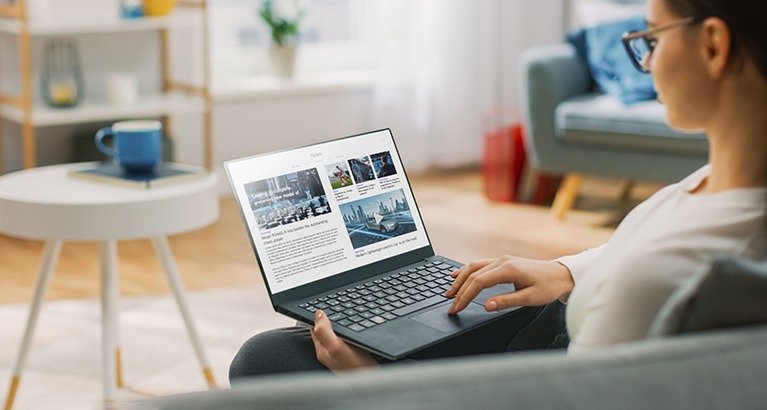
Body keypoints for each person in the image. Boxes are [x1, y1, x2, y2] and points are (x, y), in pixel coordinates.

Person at [229, 0, 767, 378]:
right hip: (559, 319)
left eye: (650, 37)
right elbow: (644, 248)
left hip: (549, 361)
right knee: (284, 350)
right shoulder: (720, 187)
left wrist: (375, 389)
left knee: (265, 362)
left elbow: (559, 399)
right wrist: (563, 271)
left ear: (714, 45)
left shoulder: (674, 272)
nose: (644, 60)